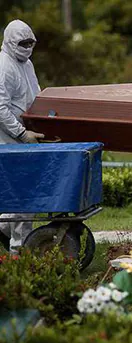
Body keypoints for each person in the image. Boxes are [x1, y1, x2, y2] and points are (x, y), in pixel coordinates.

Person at [0, 19, 45, 254]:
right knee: (22, 194)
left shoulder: (26, 63)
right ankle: (19, 250)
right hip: (8, 140)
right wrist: (21, 132)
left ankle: (6, 228)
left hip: (24, 135)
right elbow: (0, 107)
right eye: (23, 43)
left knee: (25, 193)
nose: (27, 47)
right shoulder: (4, 66)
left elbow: (34, 94)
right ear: (10, 42)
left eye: (30, 42)